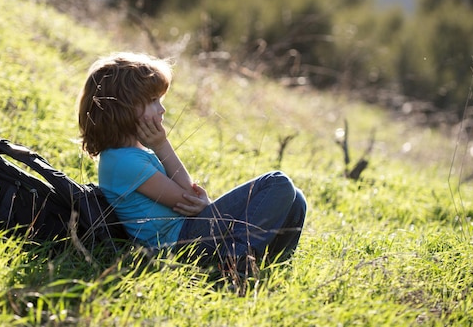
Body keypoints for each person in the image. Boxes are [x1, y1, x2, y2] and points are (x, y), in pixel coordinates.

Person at [78, 52, 306, 273]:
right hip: (178, 247)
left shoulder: (131, 154)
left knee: (296, 199)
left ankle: (268, 264)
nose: (162, 109)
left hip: (187, 237)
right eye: (152, 101)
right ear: (122, 108)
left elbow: (189, 200)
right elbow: (187, 197)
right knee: (277, 183)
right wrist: (161, 145)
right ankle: (234, 264)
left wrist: (203, 205)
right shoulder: (122, 161)